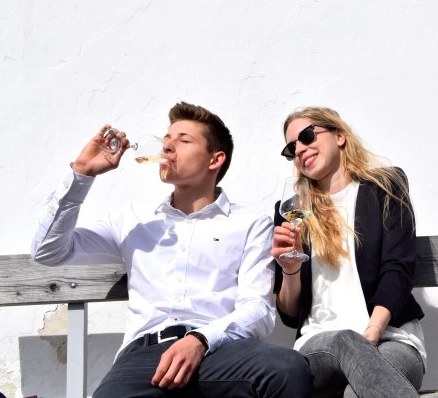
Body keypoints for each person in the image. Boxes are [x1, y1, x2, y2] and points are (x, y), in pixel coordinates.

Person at [31, 102, 312, 398]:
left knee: (287, 368)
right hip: (144, 359)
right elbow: (48, 251)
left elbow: (258, 309)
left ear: (215, 160)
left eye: (183, 140)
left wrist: (200, 340)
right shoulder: (133, 219)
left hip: (218, 354)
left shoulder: (250, 224)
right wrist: (83, 173)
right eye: (167, 139)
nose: (167, 147)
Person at [271, 107, 426, 398]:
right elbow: (290, 315)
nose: (300, 150)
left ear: (339, 136)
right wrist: (289, 271)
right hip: (320, 344)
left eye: (307, 136)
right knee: (345, 341)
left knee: (357, 394)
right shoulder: (294, 211)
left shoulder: (385, 187)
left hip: (391, 337)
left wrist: (372, 332)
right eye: (291, 148)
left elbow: (398, 270)